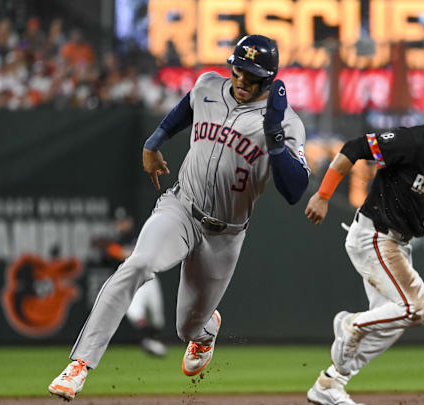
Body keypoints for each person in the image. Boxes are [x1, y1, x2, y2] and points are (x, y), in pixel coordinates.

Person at [48, 34, 310, 401]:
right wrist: (153, 141)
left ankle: (204, 332)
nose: (241, 81)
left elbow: (296, 190)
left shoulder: (288, 125)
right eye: (238, 70)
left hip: (224, 234)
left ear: (269, 80)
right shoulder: (208, 85)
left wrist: (275, 136)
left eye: (252, 76)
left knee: (187, 328)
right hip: (180, 208)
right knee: (137, 265)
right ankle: (79, 366)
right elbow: (187, 107)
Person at [304, 76, 424, 405]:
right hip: (375, 234)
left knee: (390, 322)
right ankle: (350, 324)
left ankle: (330, 383)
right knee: (418, 308)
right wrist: (323, 194)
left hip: (399, 243)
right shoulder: (411, 141)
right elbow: (355, 147)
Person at [92, 208, 167, 357]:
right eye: (119, 222)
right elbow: (108, 260)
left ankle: (153, 340)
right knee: (135, 314)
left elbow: (132, 254)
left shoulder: (140, 236)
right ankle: (149, 342)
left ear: (130, 222)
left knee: (158, 319)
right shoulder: (115, 242)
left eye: (124, 221)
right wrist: (107, 252)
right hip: (132, 283)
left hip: (148, 279)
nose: (122, 224)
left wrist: (115, 251)